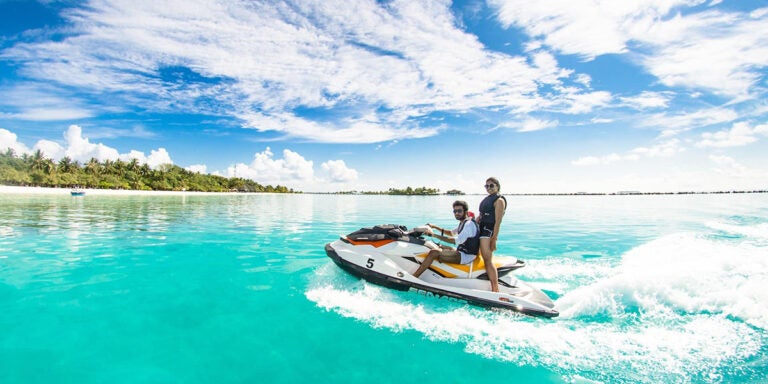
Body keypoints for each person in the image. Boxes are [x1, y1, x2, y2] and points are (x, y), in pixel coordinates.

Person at [412, 200, 479, 278]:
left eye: (459, 211)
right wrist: (435, 227)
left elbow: (454, 241)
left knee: (433, 252)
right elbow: (451, 233)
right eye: (455, 211)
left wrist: (433, 235)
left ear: (465, 211)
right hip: (462, 251)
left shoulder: (469, 225)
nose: (457, 213)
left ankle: (414, 277)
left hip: (466, 256)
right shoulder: (463, 222)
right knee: (437, 245)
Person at [477, 177, 506, 292]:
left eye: (491, 185)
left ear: (497, 186)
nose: (489, 188)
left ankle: (495, 289)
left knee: (487, 260)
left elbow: (498, 221)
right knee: (479, 256)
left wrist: (494, 238)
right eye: (487, 186)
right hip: (481, 229)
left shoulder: (499, 200)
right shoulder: (487, 199)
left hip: (488, 232)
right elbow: (481, 216)